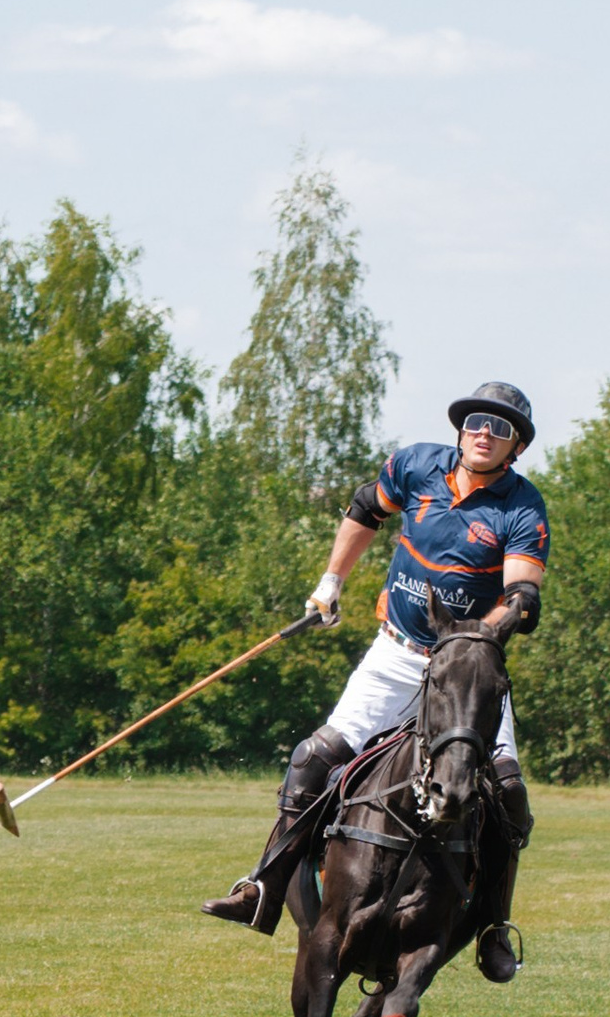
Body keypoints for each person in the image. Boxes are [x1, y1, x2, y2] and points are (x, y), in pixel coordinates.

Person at [201, 380, 548, 981]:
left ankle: (493, 925)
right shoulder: (417, 466)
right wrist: (332, 582)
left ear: (515, 445)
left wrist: (472, 643)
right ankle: (261, 887)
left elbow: (521, 595)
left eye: (498, 428)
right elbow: (366, 508)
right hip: (397, 654)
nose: (483, 433)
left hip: (465, 670)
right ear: (461, 430)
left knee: (509, 793)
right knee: (315, 757)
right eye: (475, 423)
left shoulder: (521, 506)